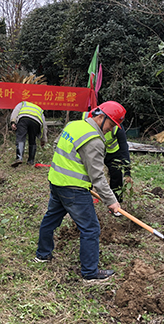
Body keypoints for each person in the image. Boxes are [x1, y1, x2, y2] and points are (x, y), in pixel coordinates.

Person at [34, 101, 125, 284]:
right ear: (101, 117)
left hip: (56, 181)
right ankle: (90, 273)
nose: (111, 129)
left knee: (51, 218)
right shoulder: (94, 141)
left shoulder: (74, 125)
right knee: (91, 228)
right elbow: (97, 176)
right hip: (74, 190)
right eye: (111, 124)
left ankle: (42, 255)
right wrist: (112, 201)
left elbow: (58, 146)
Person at [83, 110, 132, 205]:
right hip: (94, 149)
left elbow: (124, 149)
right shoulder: (86, 119)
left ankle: (116, 201)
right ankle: (86, 196)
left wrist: (127, 172)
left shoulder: (117, 128)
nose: (110, 128)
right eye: (110, 125)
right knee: (88, 171)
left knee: (116, 174)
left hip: (112, 152)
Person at [10, 101, 48, 167]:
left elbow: (15, 112)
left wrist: (13, 122)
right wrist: (43, 139)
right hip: (36, 122)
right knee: (32, 140)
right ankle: (31, 161)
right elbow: (44, 125)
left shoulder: (23, 103)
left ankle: (19, 158)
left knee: (20, 138)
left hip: (23, 118)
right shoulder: (39, 109)